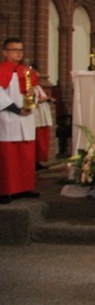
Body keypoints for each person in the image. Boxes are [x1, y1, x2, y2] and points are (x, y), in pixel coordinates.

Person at [0, 38, 39, 204]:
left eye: (21, 50)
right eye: (15, 50)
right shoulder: (2, 70)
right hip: (10, 118)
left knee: (26, 155)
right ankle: (6, 190)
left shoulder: (26, 72)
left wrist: (31, 103)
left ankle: (24, 188)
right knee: (9, 156)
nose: (19, 53)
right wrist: (16, 109)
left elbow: (33, 91)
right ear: (5, 52)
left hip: (26, 118)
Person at [31, 66, 54, 171]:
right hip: (37, 115)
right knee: (37, 139)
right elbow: (33, 100)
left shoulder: (38, 87)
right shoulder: (30, 86)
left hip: (42, 115)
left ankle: (39, 160)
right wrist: (42, 99)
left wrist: (48, 99)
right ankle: (34, 162)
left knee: (42, 139)